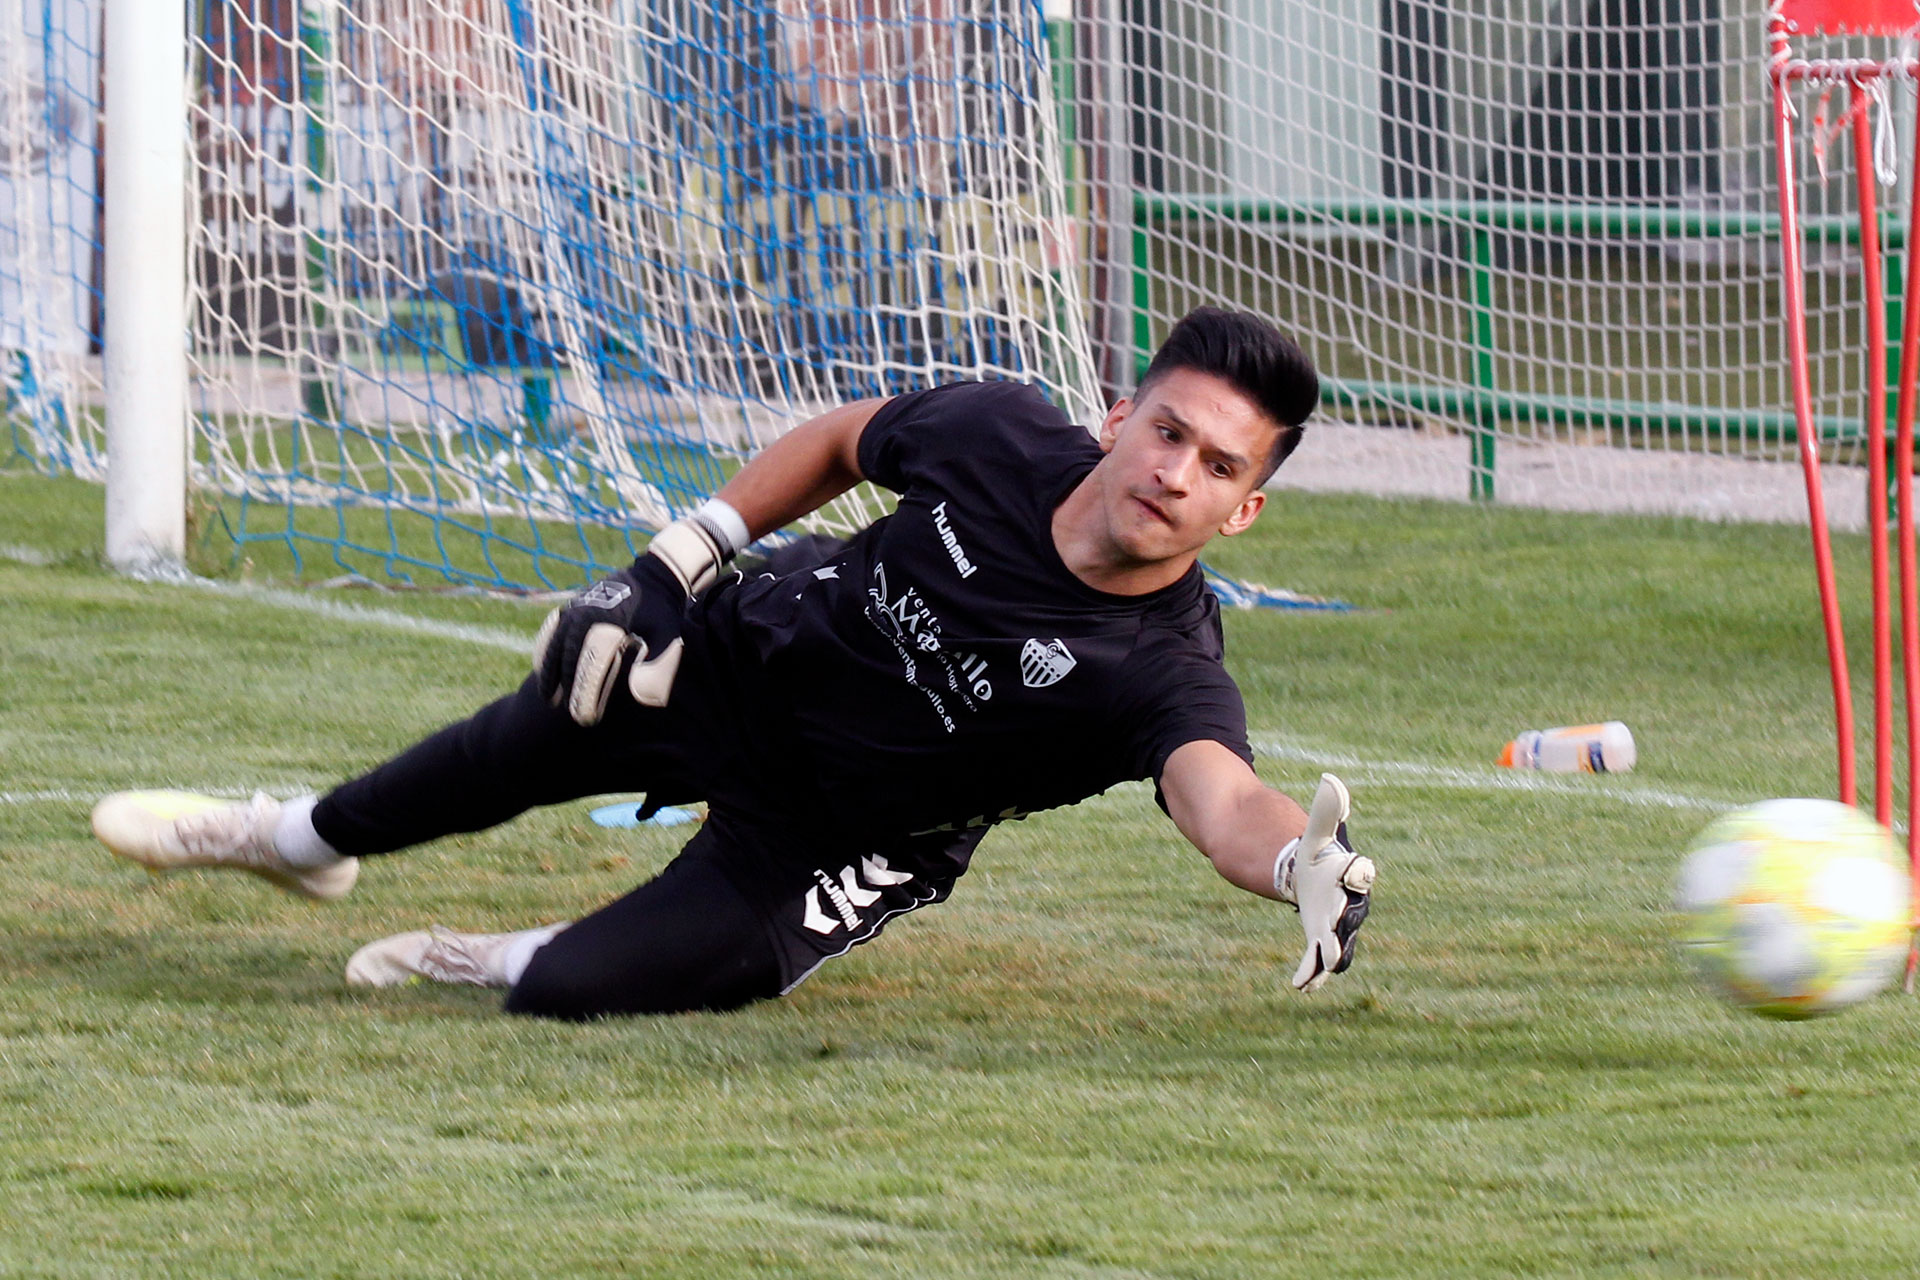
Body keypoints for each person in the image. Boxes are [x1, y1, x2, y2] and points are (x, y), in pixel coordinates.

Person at [89, 307, 1377, 1020]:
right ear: (1120, 418)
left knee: (580, 993)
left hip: (842, 836)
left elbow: (1221, 797)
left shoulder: (1168, 668)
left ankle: (502, 952)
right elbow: (832, 442)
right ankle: (295, 838)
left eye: (1219, 466)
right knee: (545, 712)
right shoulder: (995, 430)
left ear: (1243, 510)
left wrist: (1291, 863)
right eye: (1168, 432)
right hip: (755, 656)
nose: (1174, 473)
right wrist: (666, 570)